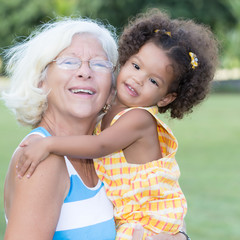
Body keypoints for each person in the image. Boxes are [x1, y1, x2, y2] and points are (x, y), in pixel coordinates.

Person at [16, 8, 218, 240]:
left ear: (165, 98)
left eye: (153, 80)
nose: (138, 79)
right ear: (124, 61)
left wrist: (50, 144)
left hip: (147, 219)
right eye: (136, 66)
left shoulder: (138, 119)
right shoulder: (108, 109)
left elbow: (100, 145)